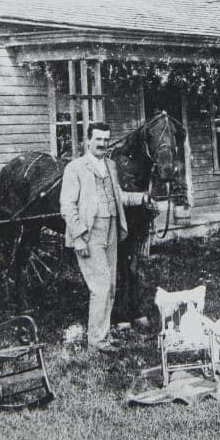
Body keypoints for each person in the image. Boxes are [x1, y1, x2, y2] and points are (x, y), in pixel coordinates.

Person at [60, 121, 149, 354]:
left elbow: (118, 196)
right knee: (100, 286)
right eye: (98, 139)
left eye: (106, 139)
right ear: (87, 141)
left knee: (110, 284)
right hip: (89, 232)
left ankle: (104, 335)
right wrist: (79, 237)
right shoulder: (75, 168)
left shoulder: (110, 165)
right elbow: (67, 206)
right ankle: (96, 342)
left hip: (111, 229)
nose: (102, 143)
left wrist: (141, 198)